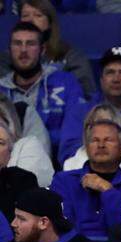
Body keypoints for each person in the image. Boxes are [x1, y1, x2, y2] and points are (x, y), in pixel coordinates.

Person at [0, 22, 84, 153]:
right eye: (17, 44)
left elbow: (74, 135)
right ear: (9, 50)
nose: (23, 50)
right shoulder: (1, 91)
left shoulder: (66, 83)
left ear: (42, 49)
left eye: (30, 44)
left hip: (58, 161)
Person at [49, 118, 121, 239]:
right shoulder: (64, 181)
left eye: (108, 140)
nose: (101, 145)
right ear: (86, 148)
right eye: (95, 140)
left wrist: (107, 190)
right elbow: (61, 226)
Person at [5, 0, 95, 98]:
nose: (30, 20)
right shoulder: (8, 57)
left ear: (50, 22)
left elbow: (85, 94)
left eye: (38, 15)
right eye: (25, 16)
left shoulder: (71, 56)